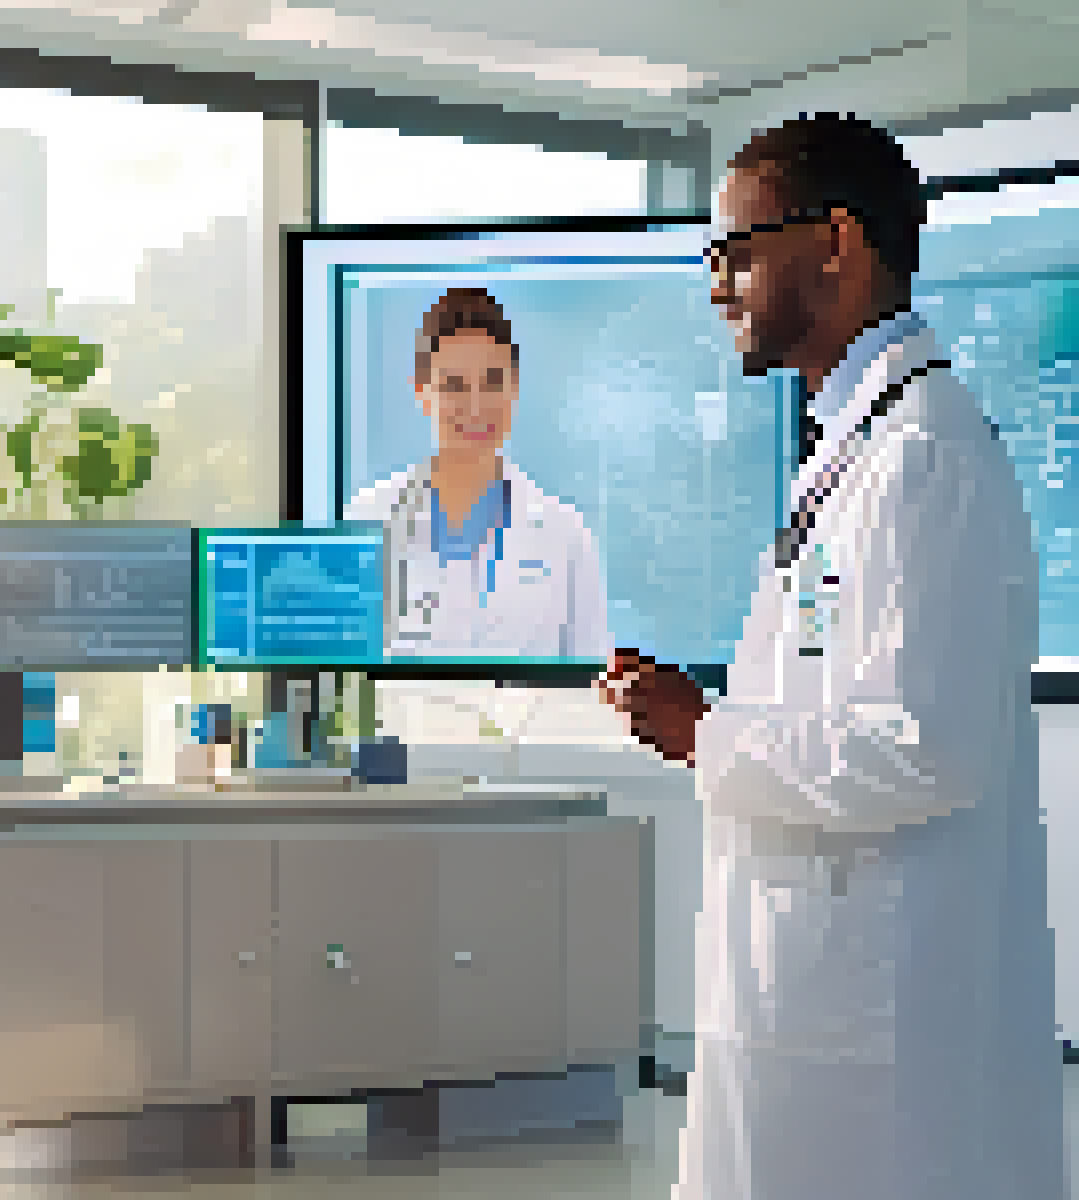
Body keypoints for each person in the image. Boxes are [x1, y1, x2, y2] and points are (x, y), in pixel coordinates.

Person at [602, 113, 1063, 1200]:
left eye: (737, 251)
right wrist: (707, 725)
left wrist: (704, 731)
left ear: (837, 244)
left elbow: (923, 748)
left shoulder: (926, 457)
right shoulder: (861, 447)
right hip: (819, 993)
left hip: (879, 1021)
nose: (719, 286)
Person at [346, 287, 611, 659]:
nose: (475, 405)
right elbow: (340, 678)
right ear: (424, 393)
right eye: (454, 386)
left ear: (514, 390)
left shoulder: (564, 535)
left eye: (493, 382)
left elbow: (592, 681)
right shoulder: (366, 520)